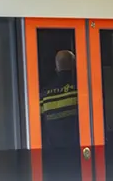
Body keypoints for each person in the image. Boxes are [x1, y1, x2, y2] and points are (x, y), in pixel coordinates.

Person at [40, 50, 81, 179]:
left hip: (54, 156)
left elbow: (40, 122)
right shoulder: (80, 88)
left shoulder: (45, 94)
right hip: (76, 154)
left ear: (56, 68)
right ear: (74, 65)